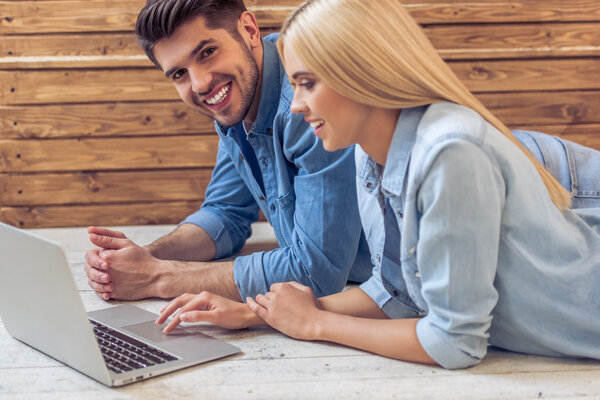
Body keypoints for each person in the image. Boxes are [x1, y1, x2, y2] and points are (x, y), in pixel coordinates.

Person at [157, 0, 600, 369]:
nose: (296, 106)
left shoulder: (450, 154)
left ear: (360, 72)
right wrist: (257, 314)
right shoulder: (371, 152)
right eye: (294, 85)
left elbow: (455, 343)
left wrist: (317, 324)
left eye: (308, 84)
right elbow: (399, 293)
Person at [83, 0, 373, 302]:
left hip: (400, 304)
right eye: (179, 73)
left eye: (207, 53)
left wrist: (159, 277)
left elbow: (316, 272)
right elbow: (225, 214)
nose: (201, 83)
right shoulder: (237, 101)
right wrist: (142, 258)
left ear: (248, 30)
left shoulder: (306, 105)